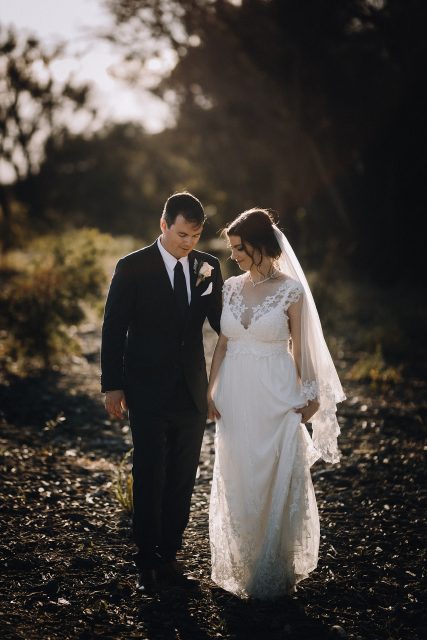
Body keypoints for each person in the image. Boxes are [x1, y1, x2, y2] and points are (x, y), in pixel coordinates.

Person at [207, 208, 345, 600]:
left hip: (276, 394)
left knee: (275, 474)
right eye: (231, 248)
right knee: (238, 475)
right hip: (234, 395)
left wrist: (312, 395)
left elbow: (301, 351)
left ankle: (274, 565)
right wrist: (209, 390)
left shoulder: (291, 291)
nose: (233, 255)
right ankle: (242, 561)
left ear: (260, 245)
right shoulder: (230, 287)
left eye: (238, 247)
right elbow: (222, 344)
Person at [101, 192, 223, 595]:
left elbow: (224, 324)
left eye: (196, 235)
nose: (189, 242)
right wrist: (112, 384)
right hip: (146, 390)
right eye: (183, 234)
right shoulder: (132, 266)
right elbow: (114, 328)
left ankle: (170, 556)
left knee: (183, 478)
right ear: (164, 224)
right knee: (149, 472)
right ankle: (145, 563)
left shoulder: (209, 267)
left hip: (191, 392)